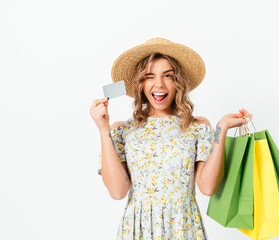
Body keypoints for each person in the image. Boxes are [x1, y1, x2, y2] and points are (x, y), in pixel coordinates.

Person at [89, 38, 253, 239]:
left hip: (183, 229)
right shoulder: (122, 130)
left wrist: (222, 128)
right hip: (138, 230)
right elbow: (117, 192)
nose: (159, 84)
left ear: (179, 82)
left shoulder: (197, 126)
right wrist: (103, 128)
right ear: (141, 83)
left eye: (168, 76)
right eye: (149, 76)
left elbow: (207, 187)